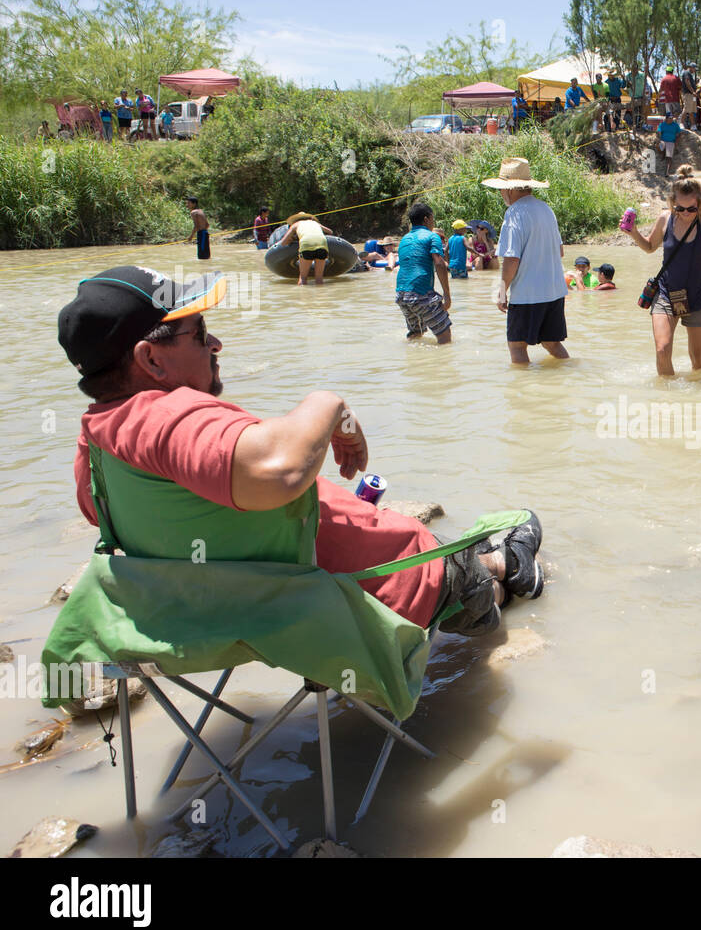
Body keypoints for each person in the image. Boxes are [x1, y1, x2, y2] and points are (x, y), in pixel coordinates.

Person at [57, 266, 544, 642]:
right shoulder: (165, 416)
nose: (215, 343)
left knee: (448, 549)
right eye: (200, 331)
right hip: (386, 590)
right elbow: (281, 472)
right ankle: (503, 571)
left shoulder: (95, 447)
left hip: (251, 608)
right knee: (472, 580)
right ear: (151, 359)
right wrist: (329, 404)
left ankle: (491, 561)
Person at [624, 166, 701, 376]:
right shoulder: (665, 218)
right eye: (679, 208)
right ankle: (667, 400)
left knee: (698, 361)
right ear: (672, 203)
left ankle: (698, 400)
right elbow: (649, 247)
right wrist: (633, 232)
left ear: (700, 203)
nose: (685, 213)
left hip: (698, 296)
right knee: (662, 349)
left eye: (691, 209)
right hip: (666, 293)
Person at [484, 157, 569, 364]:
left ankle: (522, 394)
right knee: (552, 343)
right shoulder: (546, 210)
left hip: (527, 295)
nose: (501, 193)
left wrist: (502, 292)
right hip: (555, 292)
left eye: (502, 189)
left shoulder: (514, 214)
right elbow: (560, 252)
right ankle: (568, 377)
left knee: (517, 346)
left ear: (509, 190)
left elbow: (511, 260)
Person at [394, 202, 453, 340]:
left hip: (401, 295)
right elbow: (439, 263)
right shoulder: (432, 236)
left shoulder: (404, 239)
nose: (433, 222)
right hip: (420, 293)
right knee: (445, 336)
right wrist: (447, 294)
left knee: (416, 333)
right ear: (426, 219)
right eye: (432, 218)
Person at [281, 212, 334, 285]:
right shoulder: (315, 223)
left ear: (296, 220)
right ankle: (321, 296)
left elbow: (283, 242)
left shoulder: (296, 224)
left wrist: (292, 239)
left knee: (303, 278)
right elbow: (330, 232)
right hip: (322, 244)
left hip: (306, 245)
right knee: (319, 278)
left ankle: (303, 295)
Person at [184, 196, 210, 261]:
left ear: (194, 204)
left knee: (202, 257)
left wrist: (191, 236)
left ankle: (203, 270)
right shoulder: (201, 211)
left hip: (201, 234)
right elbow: (207, 225)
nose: (187, 205)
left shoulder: (193, 212)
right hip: (205, 234)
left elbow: (196, 226)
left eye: (189, 203)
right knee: (206, 255)